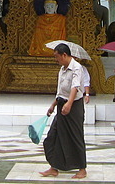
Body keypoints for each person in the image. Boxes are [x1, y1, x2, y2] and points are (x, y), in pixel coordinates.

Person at [40, 43, 87, 179]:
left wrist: (69, 103)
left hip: (74, 106)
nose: (56, 59)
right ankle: (54, 167)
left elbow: (75, 87)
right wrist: (54, 104)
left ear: (64, 55)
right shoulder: (62, 69)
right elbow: (60, 90)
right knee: (53, 136)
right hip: (62, 104)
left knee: (75, 136)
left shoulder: (77, 68)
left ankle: (82, 168)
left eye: (57, 56)